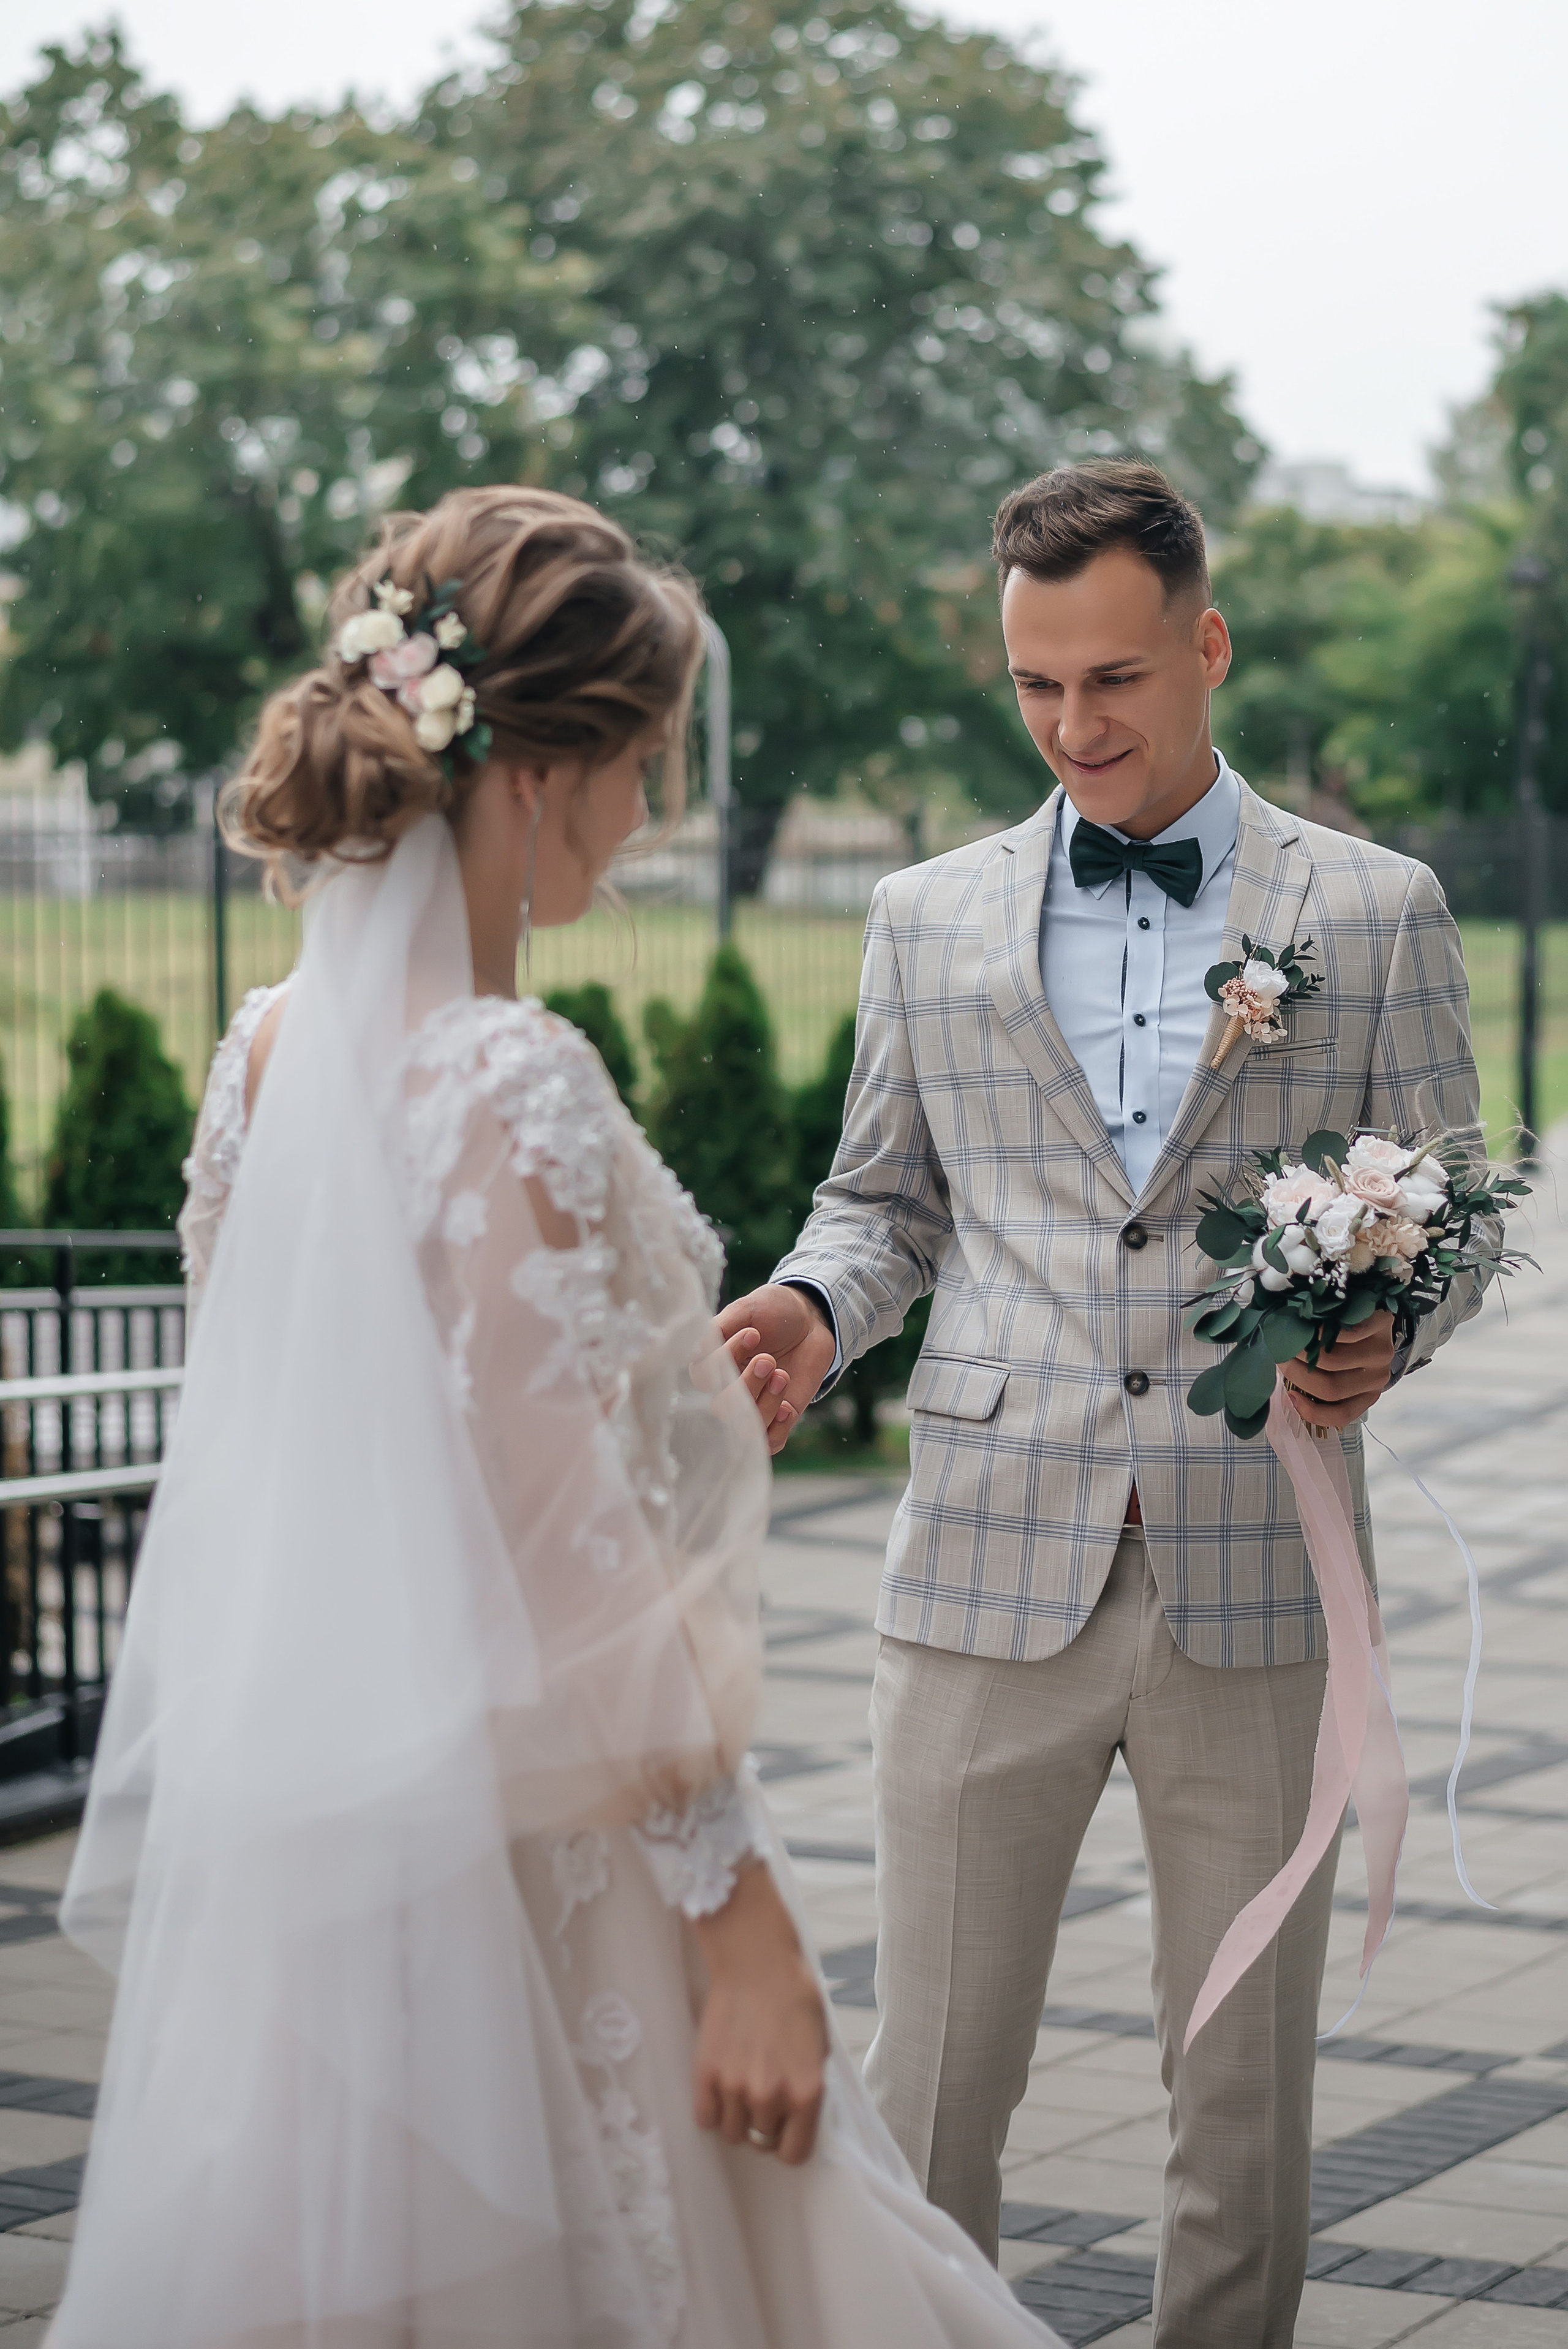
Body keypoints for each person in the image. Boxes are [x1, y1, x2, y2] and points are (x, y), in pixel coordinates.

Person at [50, 487, 1055, 2349]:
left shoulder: (265, 1054)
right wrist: (738, 1918)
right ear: (539, 773)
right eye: (644, 763)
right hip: (561, 1871)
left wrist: (663, 1407)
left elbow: (353, 1455)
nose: (651, 815)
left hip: (337, 1863)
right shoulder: (507, 1077)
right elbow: (574, 1557)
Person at [721, 461, 1493, 2348]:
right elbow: (884, 1202)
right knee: (931, 2090)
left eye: (1117, 679)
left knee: (1241, 2102)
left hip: (1262, 1571)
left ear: (1207, 646)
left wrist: (1392, 1329)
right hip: (985, 1565)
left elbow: (1449, 1207)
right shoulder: (925, 915)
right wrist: (816, 1304)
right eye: (1038, 685)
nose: (1075, 725)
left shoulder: (1376, 907)